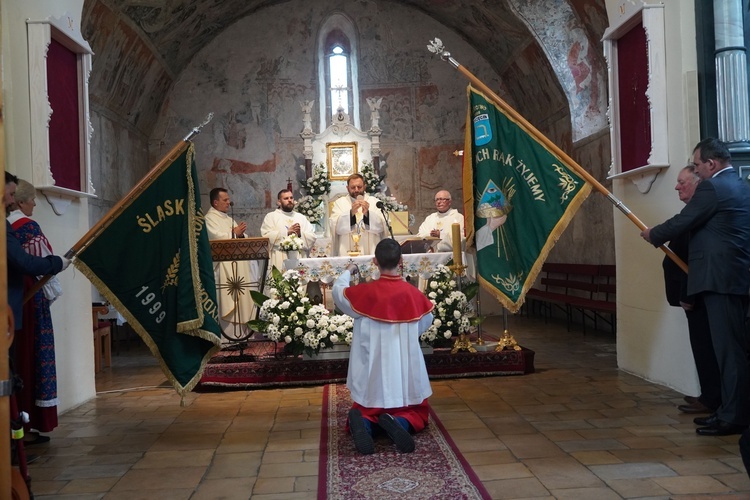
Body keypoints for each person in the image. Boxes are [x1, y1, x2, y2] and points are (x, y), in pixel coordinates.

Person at [641, 138, 750, 436]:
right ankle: (727, 410)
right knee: (729, 350)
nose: (697, 171)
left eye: (698, 165)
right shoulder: (738, 184)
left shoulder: (713, 186)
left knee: (729, 352)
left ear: (711, 164)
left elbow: (684, 221)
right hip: (731, 278)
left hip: (720, 279)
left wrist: (654, 234)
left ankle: (734, 416)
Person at [332, 239, 434, 454]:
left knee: (367, 409)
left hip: (373, 373)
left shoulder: (365, 293)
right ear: (401, 260)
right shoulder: (413, 295)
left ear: (375, 261)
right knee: (415, 412)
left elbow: (338, 292)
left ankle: (366, 425)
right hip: (403, 375)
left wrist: (349, 271)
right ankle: (399, 423)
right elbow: (426, 320)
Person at [7, 179, 65, 443]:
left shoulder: (10, 226)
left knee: (19, 357)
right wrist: (58, 263)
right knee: (31, 355)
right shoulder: (27, 226)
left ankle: (21, 424)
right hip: (29, 296)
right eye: (31, 200)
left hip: (17, 297)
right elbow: (39, 261)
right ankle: (27, 423)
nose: (34, 205)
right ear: (19, 201)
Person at [661, 166, 721, 414]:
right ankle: (708, 394)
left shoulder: (699, 214)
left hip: (697, 295)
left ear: (697, 184)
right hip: (692, 294)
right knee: (700, 346)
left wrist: (687, 294)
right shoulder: (693, 211)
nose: (677, 186)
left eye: (682, 182)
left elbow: (692, 260)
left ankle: (712, 399)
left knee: (706, 347)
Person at [204, 187, 258, 335]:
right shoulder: (208, 219)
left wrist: (240, 235)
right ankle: (228, 338)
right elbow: (214, 238)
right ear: (215, 202)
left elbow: (241, 237)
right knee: (228, 300)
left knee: (242, 300)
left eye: (228, 199)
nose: (229, 202)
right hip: (223, 268)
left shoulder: (229, 218)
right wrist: (234, 233)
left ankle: (242, 336)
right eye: (225, 200)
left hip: (237, 267)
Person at [329, 173, 387, 256]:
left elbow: (382, 226)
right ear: (347, 188)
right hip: (346, 252)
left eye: (359, 187)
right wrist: (351, 213)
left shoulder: (374, 202)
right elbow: (335, 227)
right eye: (353, 187)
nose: (356, 190)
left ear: (364, 186)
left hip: (371, 251)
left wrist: (367, 214)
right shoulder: (339, 203)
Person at [260, 189, 316, 272]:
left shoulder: (301, 217)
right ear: (279, 202)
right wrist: (286, 233)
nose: (289, 200)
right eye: (286, 198)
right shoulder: (271, 216)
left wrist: (300, 234)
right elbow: (266, 236)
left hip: (298, 258)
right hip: (279, 257)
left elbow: (312, 236)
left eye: (291, 198)